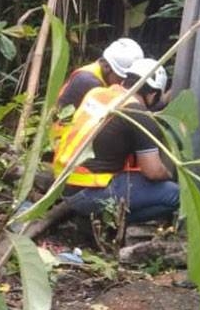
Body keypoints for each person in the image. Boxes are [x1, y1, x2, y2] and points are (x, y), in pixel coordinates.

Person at [52, 59, 179, 224]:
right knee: (174, 194)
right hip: (89, 193)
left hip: (64, 183)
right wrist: (168, 175)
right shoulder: (138, 115)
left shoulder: (97, 93)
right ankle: (110, 223)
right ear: (152, 94)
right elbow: (153, 171)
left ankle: (94, 218)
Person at [51, 38, 143, 142]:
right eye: (120, 78)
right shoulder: (90, 82)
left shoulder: (95, 73)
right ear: (107, 67)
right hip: (60, 140)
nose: (122, 83)